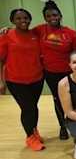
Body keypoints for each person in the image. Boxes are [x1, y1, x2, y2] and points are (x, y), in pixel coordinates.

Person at [35, 0, 76, 140]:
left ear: (60, 16)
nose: (52, 18)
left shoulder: (71, 33)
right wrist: (6, 29)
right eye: (48, 16)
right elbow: (22, 32)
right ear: (45, 18)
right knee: (58, 99)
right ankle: (63, 126)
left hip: (69, 73)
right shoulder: (39, 30)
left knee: (73, 99)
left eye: (55, 15)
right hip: (50, 73)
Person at [0, 9, 45, 151]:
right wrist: (0, 81)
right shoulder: (6, 36)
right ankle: (30, 137)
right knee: (28, 108)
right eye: (18, 18)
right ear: (13, 21)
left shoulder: (35, 34)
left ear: (30, 19)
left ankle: (34, 130)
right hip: (16, 80)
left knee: (33, 106)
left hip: (36, 78)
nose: (22, 21)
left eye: (25, 17)